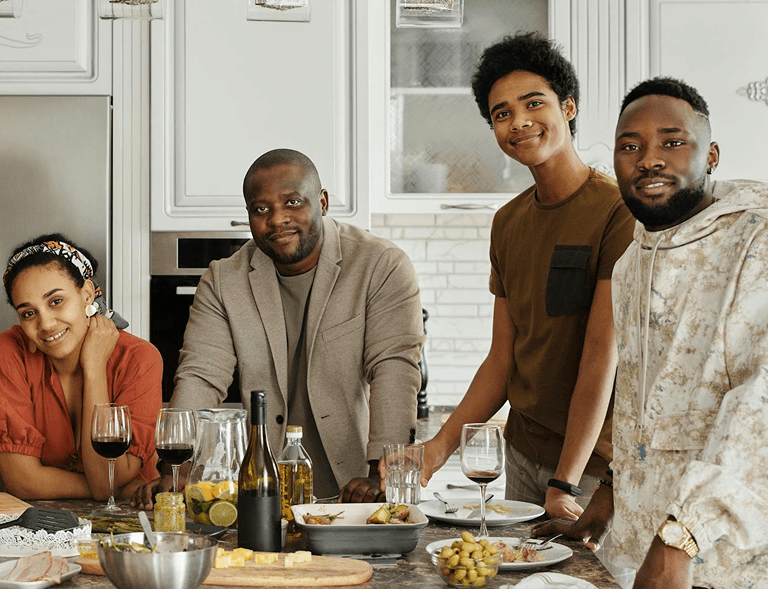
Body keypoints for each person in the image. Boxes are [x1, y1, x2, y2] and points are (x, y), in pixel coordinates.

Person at [534, 77, 768, 589]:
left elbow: (761, 409)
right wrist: (612, 494)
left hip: (728, 563)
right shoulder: (632, 262)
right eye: (630, 146)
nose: (649, 159)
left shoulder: (757, 243)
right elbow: (648, 406)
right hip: (641, 552)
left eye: (672, 142)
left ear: (712, 155)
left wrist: (680, 539)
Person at [418, 33, 634, 521]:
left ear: (569, 107)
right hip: (522, 456)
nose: (518, 122)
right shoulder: (509, 223)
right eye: (501, 114)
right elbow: (502, 358)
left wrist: (565, 482)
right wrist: (438, 448)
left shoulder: (617, 212)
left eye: (534, 103)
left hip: (593, 470)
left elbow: (602, 356)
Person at [133, 147, 424, 509]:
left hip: (353, 487)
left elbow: (393, 369)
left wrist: (381, 471)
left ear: (322, 202)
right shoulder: (224, 280)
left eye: (292, 202)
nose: (276, 219)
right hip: (258, 489)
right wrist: (177, 466)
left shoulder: (380, 265)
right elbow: (201, 376)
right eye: (261, 209)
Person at [0, 234, 162, 500]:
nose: (46, 324)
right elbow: (23, 482)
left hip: (134, 525)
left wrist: (94, 368)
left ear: (86, 294)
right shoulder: (9, 352)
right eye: (29, 313)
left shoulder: (139, 358)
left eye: (56, 301)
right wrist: (116, 491)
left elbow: (106, 477)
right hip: (40, 528)